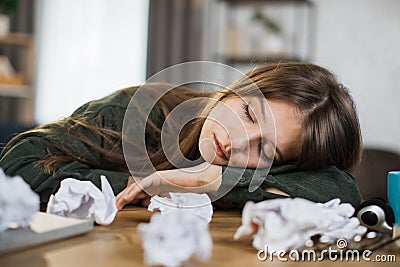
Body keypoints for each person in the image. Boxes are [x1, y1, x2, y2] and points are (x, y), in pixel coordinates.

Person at [0, 62, 362, 210]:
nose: (236, 142)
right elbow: (16, 166)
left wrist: (213, 182)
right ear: (235, 90)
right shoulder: (138, 111)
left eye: (265, 149)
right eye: (249, 113)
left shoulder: (253, 176)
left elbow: (343, 192)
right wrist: (157, 186)